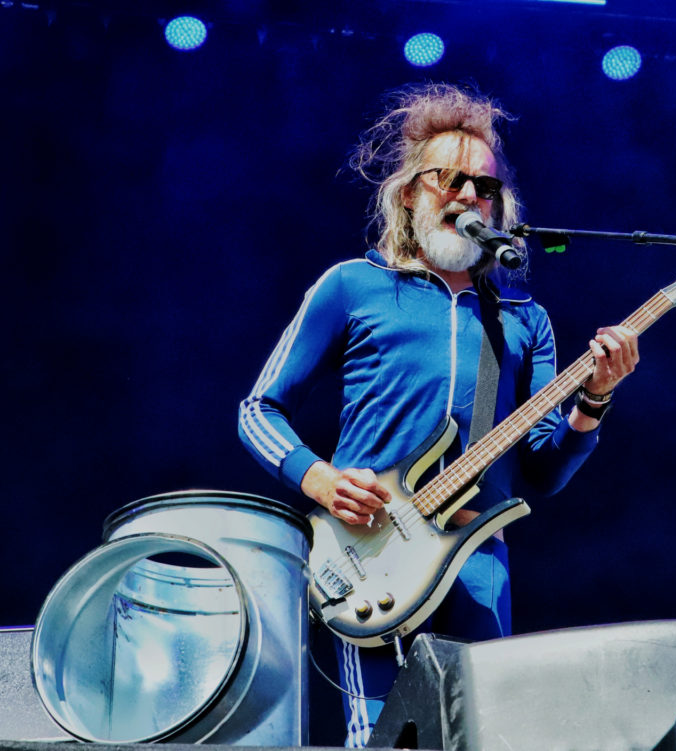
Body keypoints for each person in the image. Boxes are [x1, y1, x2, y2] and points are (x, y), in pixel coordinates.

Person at [238, 82, 639, 747]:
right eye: (448, 179)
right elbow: (259, 409)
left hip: (478, 559)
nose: (468, 196)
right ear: (409, 193)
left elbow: (542, 472)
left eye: (484, 187)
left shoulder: (523, 320)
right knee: (382, 741)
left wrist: (593, 400)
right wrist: (320, 479)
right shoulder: (354, 285)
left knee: (479, 738)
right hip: (368, 553)